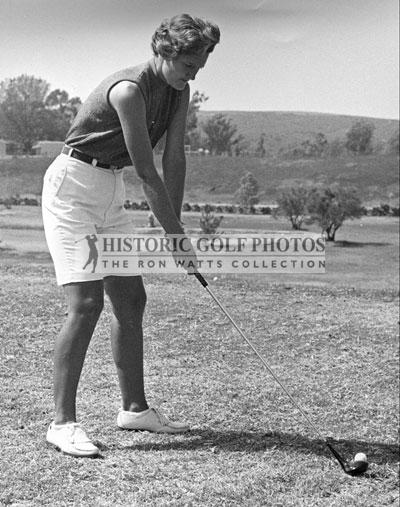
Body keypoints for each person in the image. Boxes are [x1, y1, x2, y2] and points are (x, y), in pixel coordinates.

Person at [42, 13, 220, 457]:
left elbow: (173, 158)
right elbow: (146, 170)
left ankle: (135, 410)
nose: (193, 75)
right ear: (165, 52)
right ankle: (62, 424)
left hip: (111, 189)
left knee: (130, 299)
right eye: (188, 65)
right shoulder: (128, 91)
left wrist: (175, 226)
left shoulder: (179, 91)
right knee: (86, 304)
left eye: (199, 67)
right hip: (72, 188)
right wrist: (175, 238)